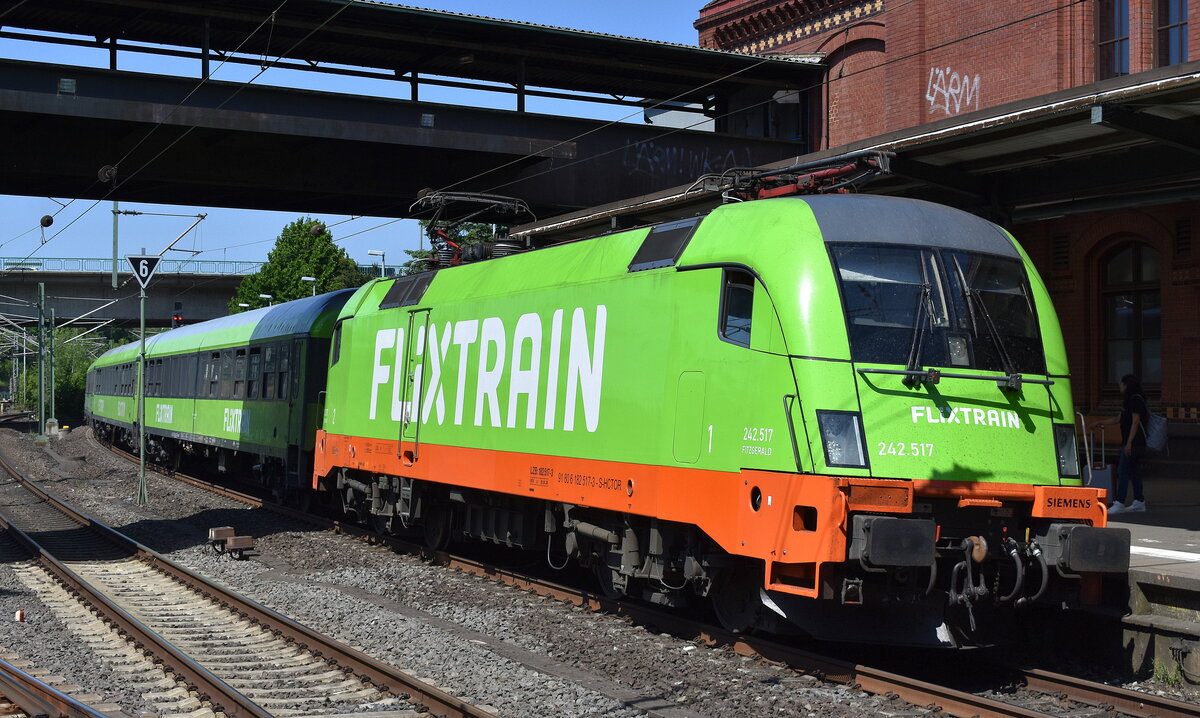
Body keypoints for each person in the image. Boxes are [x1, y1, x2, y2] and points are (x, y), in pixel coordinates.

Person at [1095, 374, 1149, 514]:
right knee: (1134, 471)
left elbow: (1136, 422)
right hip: (1134, 443)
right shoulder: (1131, 401)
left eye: (1121, 384)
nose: (1119, 386)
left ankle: (1119, 502)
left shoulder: (1135, 400)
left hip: (1134, 443)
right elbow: (1118, 419)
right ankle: (1139, 501)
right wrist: (1100, 422)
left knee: (1122, 471)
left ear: (1126, 385)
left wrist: (1129, 443)